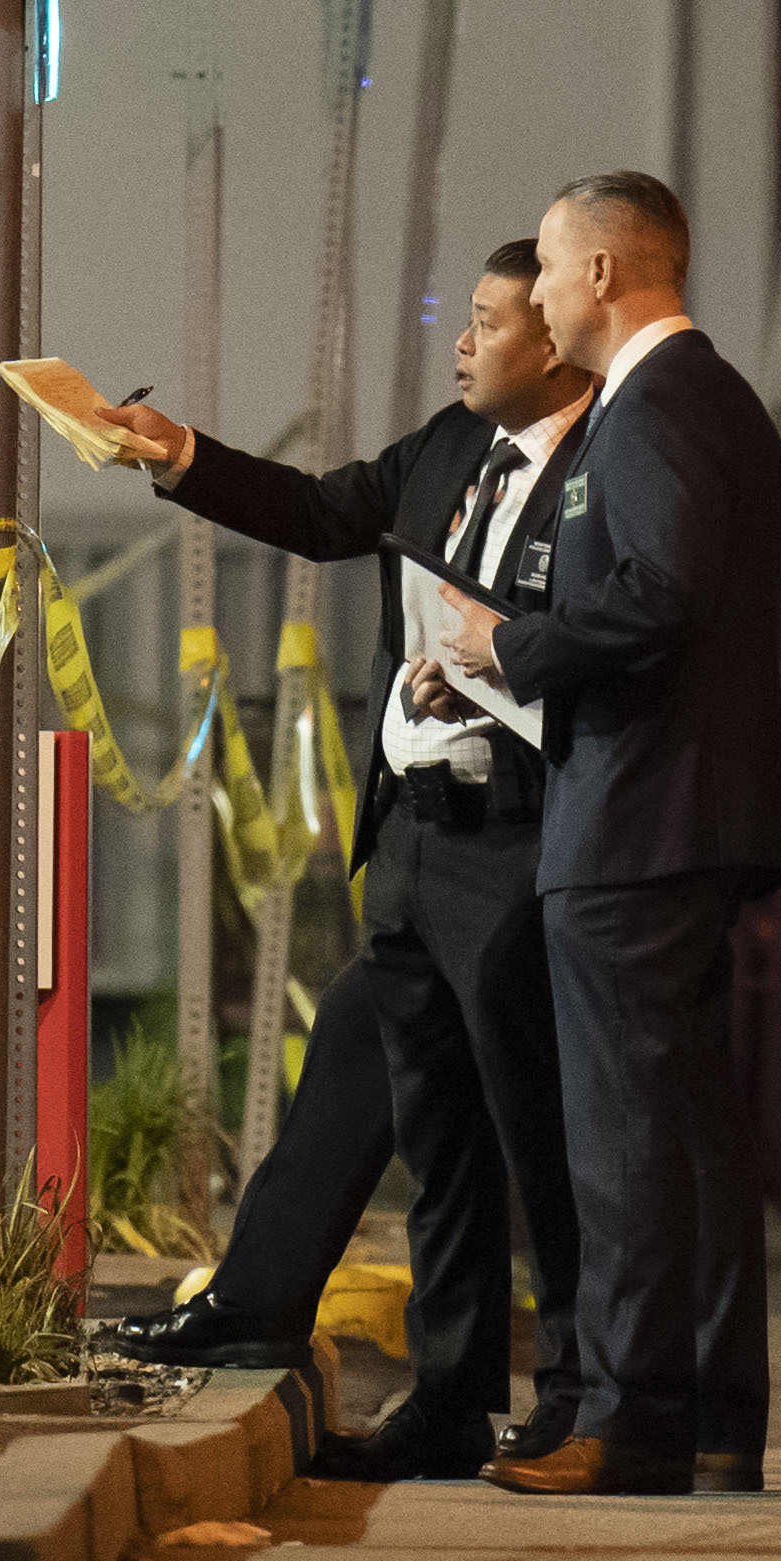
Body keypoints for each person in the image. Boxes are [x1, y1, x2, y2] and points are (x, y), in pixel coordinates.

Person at [92, 245, 596, 1481]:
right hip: (416, 835)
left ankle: (575, 1401)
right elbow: (325, 514)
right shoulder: (449, 444)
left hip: (521, 837)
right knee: (408, 1103)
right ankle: (377, 1362)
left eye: (484, 324)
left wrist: (496, 655)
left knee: (525, 1135)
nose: (462, 344)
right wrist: (179, 454)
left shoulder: (608, 463)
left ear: (553, 338)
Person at [432, 172, 781, 1497]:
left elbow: (658, 596)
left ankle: (632, 1422)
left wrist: (499, 640)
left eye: (545, 263)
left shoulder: (653, 411)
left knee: (626, 1131)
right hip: (681, 815)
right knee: (686, 1128)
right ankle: (708, 1420)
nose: (529, 290)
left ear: (598, 277)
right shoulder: (712, 402)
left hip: (638, 817)